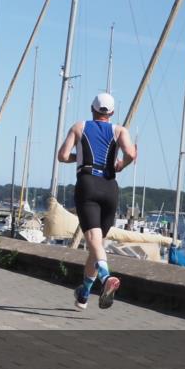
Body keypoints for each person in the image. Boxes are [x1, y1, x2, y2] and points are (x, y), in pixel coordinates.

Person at [57, 92, 136, 310]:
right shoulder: (120, 130)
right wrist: (121, 164)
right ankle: (83, 295)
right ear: (111, 113)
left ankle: (105, 277)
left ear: (92, 109)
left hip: (88, 183)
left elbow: (62, 156)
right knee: (96, 245)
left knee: (92, 238)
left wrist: (79, 157)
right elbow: (131, 153)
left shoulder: (79, 127)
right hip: (110, 187)